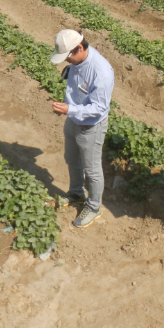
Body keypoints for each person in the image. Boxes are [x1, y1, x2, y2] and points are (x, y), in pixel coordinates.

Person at [50, 29, 115, 228]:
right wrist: (69, 110)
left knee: (92, 170)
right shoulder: (77, 60)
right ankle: (76, 193)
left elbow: (99, 108)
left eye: (68, 56)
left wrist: (70, 109)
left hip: (91, 126)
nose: (66, 61)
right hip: (73, 119)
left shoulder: (100, 71)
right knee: (71, 159)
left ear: (79, 48)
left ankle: (94, 207)